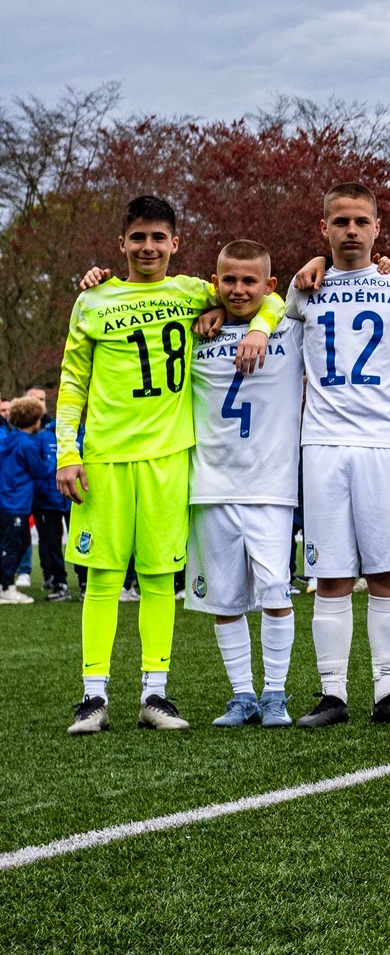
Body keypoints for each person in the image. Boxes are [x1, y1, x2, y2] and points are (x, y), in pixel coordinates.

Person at [59, 194, 280, 735]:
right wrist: (67, 453)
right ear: (121, 244)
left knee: (160, 580)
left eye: (159, 238)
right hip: (105, 459)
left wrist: (256, 329)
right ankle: (93, 698)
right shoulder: (92, 300)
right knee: (104, 579)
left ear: (176, 244)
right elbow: (71, 384)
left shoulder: (193, 292)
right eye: (138, 238)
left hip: (170, 459)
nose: (149, 247)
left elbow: (263, 298)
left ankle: (155, 695)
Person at [284, 182, 390, 728]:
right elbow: (257, 314)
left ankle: (388, 693)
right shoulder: (303, 290)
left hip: (388, 444)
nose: (351, 231)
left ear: (377, 228)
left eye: (360, 222)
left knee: (389, 573)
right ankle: (332, 695)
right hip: (323, 443)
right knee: (331, 577)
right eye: (340, 222)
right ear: (323, 228)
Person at [186, 242, 304, 728]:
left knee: (276, 591)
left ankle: (276, 693)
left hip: (271, 486)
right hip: (210, 486)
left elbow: (302, 289)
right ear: (215, 283)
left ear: (268, 285)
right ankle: (242, 695)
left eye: (249, 281)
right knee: (225, 599)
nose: (238, 289)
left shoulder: (290, 329)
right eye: (228, 281)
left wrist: (262, 323)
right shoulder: (196, 333)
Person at [24, 388, 72, 601]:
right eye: (36, 399)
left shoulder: (75, 432)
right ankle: (55, 579)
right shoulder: (36, 435)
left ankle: (84, 581)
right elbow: (35, 468)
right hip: (47, 499)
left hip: (72, 498)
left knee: (80, 540)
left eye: (43, 399)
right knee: (50, 542)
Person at [0, 398, 45, 605]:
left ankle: (7, 584)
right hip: (15, 502)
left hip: (7, 501)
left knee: (15, 543)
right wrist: (53, 460)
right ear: (33, 420)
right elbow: (40, 471)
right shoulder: (27, 444)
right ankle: (6, 587)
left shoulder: (7, 439)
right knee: (16, 544)